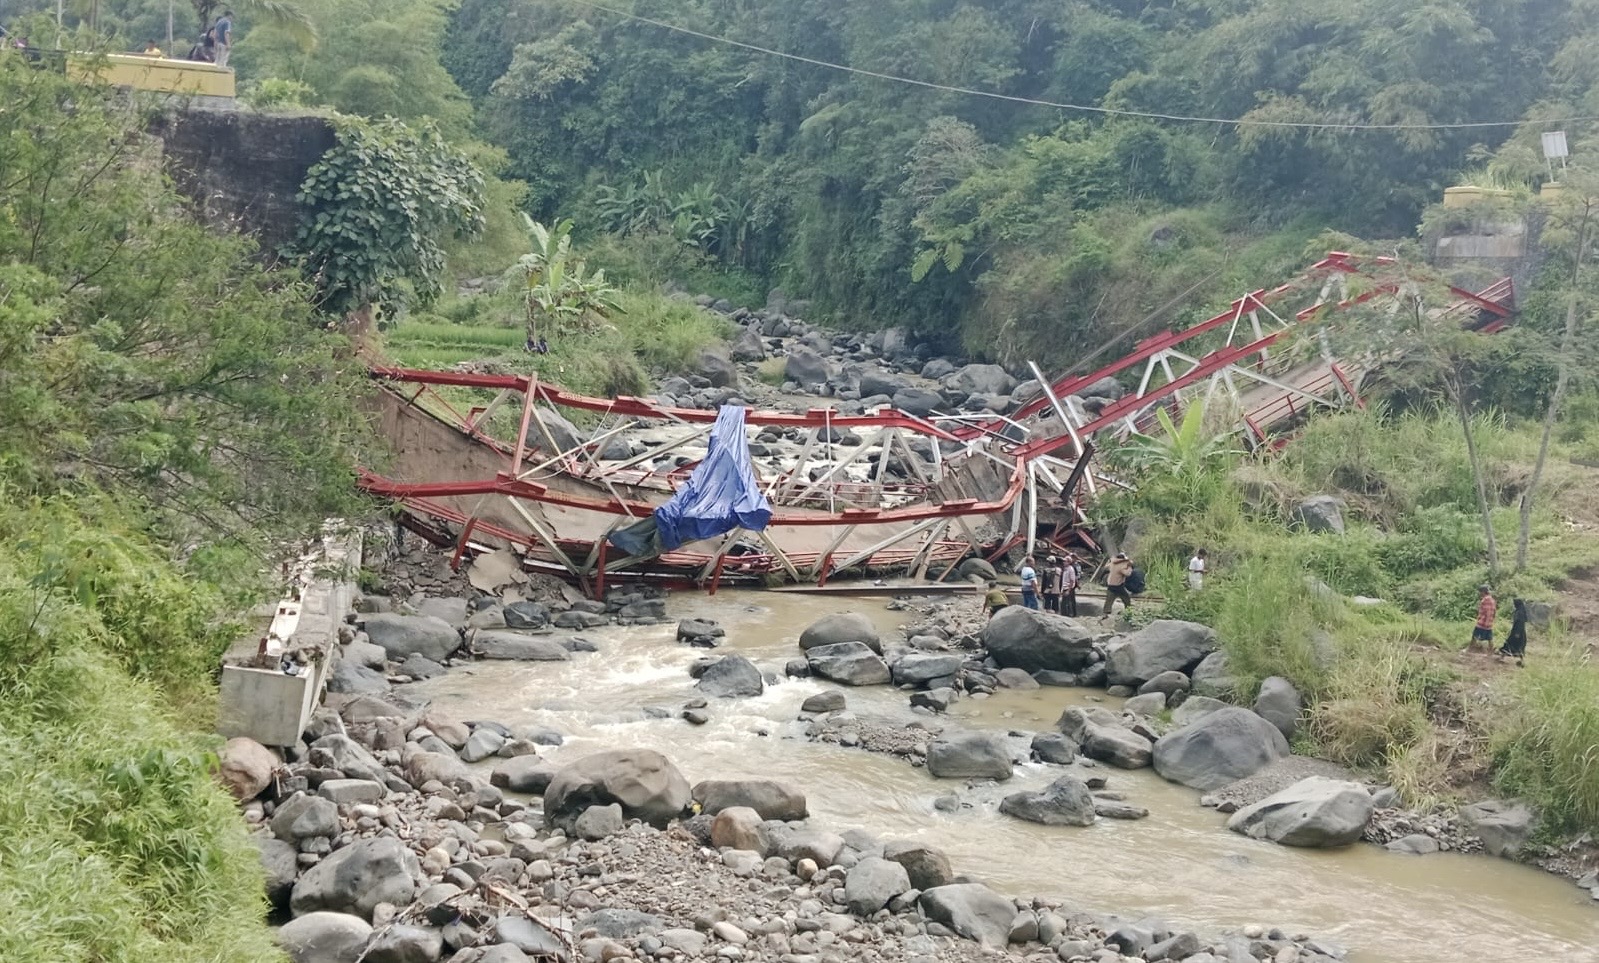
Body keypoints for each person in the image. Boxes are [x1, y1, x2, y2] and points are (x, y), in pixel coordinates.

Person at [1497, 598, 1528, 665]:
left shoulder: (1520, 612)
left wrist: (1517, 633)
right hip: (1520, 632)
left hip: (1517, 632)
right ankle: (1521, 660)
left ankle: (1502, 657)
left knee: (1510, 644)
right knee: (1519, 645)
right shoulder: (1520, 610)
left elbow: (1520, 623)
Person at [1471, 584, 1497, 651]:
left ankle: (1470, 648)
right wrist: (1491, 621)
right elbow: (1494, 612)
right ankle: (1491, 650)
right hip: (1489, 623)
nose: (1480, 593)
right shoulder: (1492, 600)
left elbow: (1487, 612)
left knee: (1475, 635)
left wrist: (1485, 622)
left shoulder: (1486, 600)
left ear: (1483, 591)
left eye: (1480, 592)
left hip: (1483, 622)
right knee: (1489, 638)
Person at [1060, 552, 1079, 616]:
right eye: (1063, 561)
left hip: (1069, 588)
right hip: (1065, 588)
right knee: (1065, 604)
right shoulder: (1065, 569)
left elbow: (1072, 580)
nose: (1063, 562)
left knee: (1068, 603)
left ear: (1068, 562)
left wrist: (1069, 590)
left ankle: (1070, 615)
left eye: (1065, 561)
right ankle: (1067, 614)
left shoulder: (1071, 569)